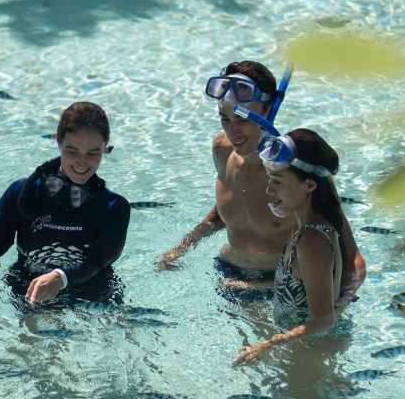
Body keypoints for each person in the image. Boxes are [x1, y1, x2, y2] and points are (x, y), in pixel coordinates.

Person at [156, 60, 365, 303]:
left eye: (243, 120)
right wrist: (180, 249)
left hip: (281, 287)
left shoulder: (297, 169)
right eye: (225, 119)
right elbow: (228, 207)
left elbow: (352, 259)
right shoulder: (222, 149)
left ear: (268, 110)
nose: (232, 132)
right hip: (227, 272)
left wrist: (341, 299)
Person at [0, 101, 130, 306]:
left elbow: (98, 263)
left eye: (92, 153)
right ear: (58, 141)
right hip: (28, 289)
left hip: (93, 293)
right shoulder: (22, 193)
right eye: (72, 150)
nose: (81, 162)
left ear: (105, 148)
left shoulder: (114, 207)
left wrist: (60, 278)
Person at [232, 129, 350, 366]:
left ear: (309, 185)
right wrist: (253, 285)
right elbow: (304, 286)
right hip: (301, 344)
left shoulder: (312, 241)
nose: (269, 191)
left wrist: (268, 344)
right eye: (268, 179)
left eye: (276, 181)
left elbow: (323, 320)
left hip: (312, 352)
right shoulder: (304, 228)